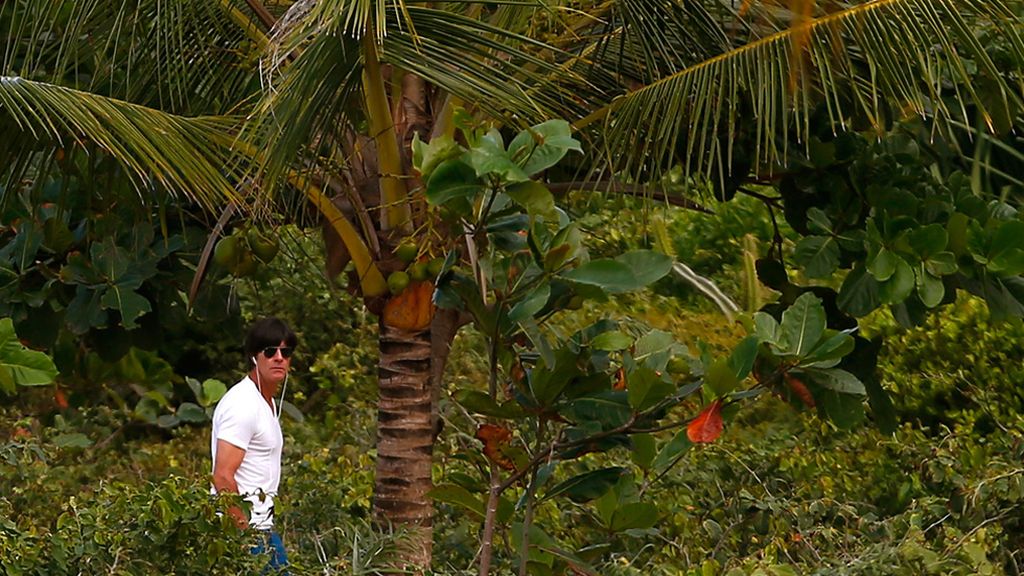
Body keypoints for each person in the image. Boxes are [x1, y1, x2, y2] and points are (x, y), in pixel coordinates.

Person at [211, 317, 297, 572]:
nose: (279, 358)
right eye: (270, 351)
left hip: (262, 528)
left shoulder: (265, 401)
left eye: (286, 351)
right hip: (245, 531)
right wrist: (242, 534)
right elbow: (223, 475)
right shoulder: (243, 404)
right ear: (253, 356)